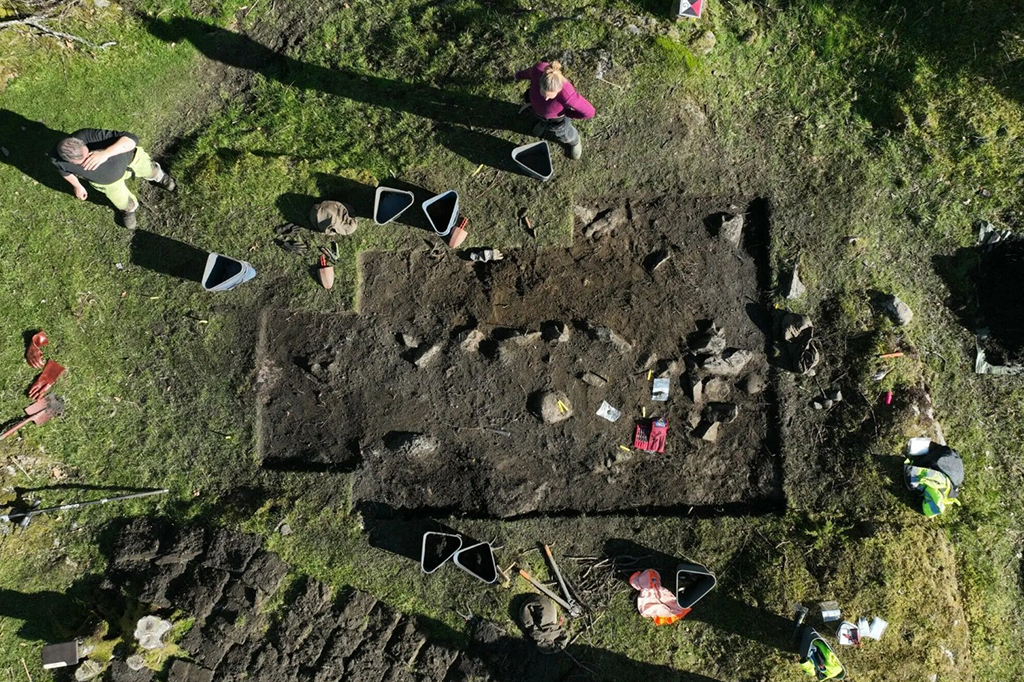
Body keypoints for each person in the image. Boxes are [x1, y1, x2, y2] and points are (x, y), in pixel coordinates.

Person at [50, 128, 176, 229]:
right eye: (81, 162)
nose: (89, 161)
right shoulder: (57, 160)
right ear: (69, 161)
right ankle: (129, 209)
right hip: (109, 183)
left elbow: (131, 139)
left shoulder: (87, 135)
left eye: (88, 154)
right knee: (121, 201)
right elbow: (65, 172)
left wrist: (105, 153)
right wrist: (77, 186)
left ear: (81, 143)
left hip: (130, 160)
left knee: (149, 169)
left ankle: (159, 177)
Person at [515, 60, 595, 160]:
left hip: (556, 119)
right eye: (543, 93)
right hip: (536, 110)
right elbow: (529, 72)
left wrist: (568, 113)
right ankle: (543, 124)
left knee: (563, 133)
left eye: (550, 97)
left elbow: (590, 112)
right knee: (540, 117)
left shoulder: (568, 96)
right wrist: (518, 75)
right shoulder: (538, 69)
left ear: (559, 90)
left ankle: (574, 141)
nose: (546, 99)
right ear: (540, 81)